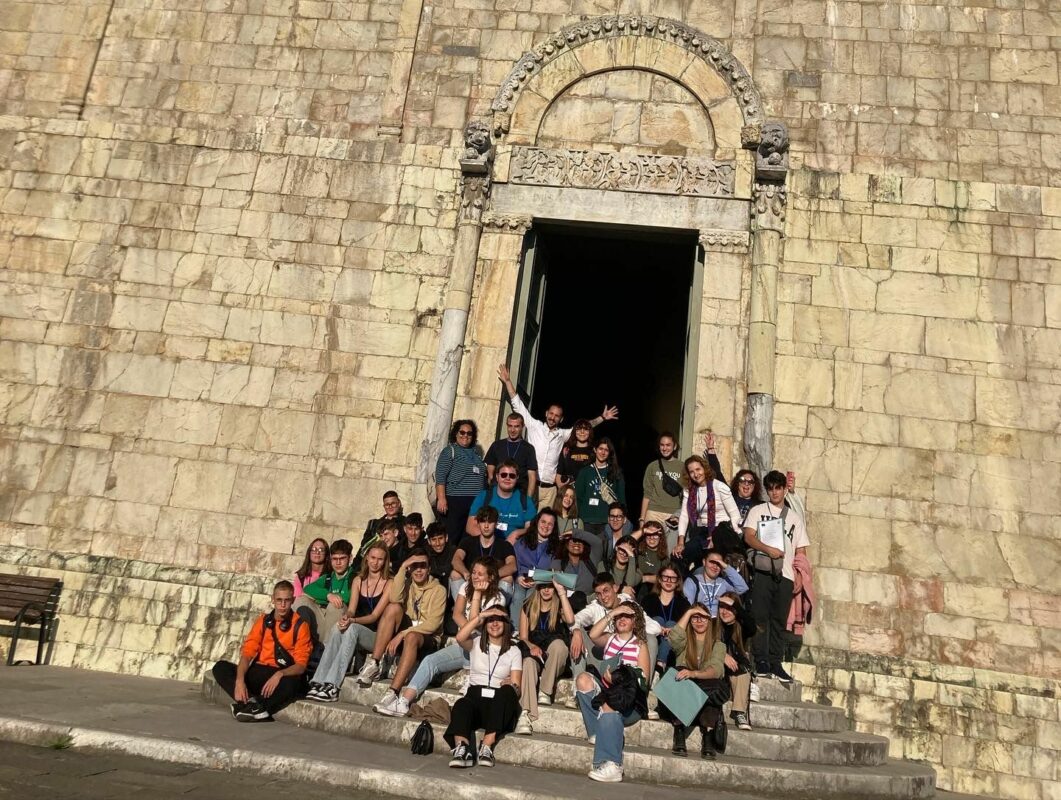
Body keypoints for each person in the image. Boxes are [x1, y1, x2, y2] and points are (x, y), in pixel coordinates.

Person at [375, 557, 506, 717]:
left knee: (467, 636)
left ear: (490, 577)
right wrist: (467, 630)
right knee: (430, 661)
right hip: (463, 642)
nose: (475, 577)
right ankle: (404, 702)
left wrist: (477, 594)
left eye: (480, 574)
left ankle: (471, 672)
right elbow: (457, 614)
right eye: (473, 572)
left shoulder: (498, 599)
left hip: (484, 647)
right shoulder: (466, 587)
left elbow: (476, 623)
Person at [497, 363, 618, 508]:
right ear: (546, 413)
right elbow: (517, 404)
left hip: (550, 490)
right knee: (527, 518)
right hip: (530, 485)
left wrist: (602, 418)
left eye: (557, 416)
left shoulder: (562, 434)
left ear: (561, 419)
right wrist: (508, 381)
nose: (552, 418)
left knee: (546, 521)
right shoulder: (535, 426)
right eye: (551, 414)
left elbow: (583, 428)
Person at [743, 470, 810, 685]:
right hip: (763, 570)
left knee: (779, 620)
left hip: (786, 574)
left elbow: (801, 550)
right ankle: (761, 660)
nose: (774, 492)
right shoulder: (758, 510)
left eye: (778, 488)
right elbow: (748, 537)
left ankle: (775, 662)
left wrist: (800, 574)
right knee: (760, 617)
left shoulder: (794, 518)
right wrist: (767, 549)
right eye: (770, 488)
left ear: (784, 489)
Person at [212, 580, 312, 721]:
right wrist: (240, 681)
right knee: (220, 667)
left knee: (293, 684)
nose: (283, 605)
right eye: (279, 600)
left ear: (293, 600)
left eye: (287, 600)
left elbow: (301, 665)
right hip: (259, 671)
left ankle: (260, 707)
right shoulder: (263, 621)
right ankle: (249, 703)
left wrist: (280, 674)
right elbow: (247, 654)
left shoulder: (301, 626)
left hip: (281, 674)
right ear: (273, 600)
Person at [574, 601, 651, 783]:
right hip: (606, 691)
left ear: (635, 621)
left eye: (628, 616)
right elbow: (593, 634)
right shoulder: (610, 638)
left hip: (628, 699)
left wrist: (617, 678)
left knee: (610, 702)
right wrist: (613, 612)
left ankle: (612, 764)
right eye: (619, 616)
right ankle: (596, 732)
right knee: (582, 679)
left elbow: (643, 679)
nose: (622, 619)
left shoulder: (640, 645)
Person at [306, 542, 392, 702]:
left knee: (352, 629)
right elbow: (351, 609)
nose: (375, 562)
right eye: (373, 558)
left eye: (380, 559)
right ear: (367, 558)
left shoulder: (389, 583)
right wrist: (347, 618)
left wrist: (353, 620)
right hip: (357, 626)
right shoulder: (358, 580)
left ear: (385, 561)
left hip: (377, 635)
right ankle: (318, 681)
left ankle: (333, 685)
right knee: (338, 627)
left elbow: (374, 616)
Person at [360, 549, 446, 700]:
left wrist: (402, 634)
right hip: (408, 631)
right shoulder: (407, 584)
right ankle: (374, 662)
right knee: (393, 608)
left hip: (427, 638)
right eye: (414, 566)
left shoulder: (439, 590)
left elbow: (433, 624)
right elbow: (394, 598)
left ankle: (393, 692)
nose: (418, 570)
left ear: (429, 569)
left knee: (412, 636)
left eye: (422, 566)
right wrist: (402, 567)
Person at [445, 607, 523, 768]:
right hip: (475, 698)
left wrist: (511, 685)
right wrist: (480, 616)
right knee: (461, 704)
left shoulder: (514, 651)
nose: (494, 624)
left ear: (506, 624)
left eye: (499, 620)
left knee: (507, 691)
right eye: (490, 620)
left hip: (498, 704)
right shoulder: (476, 642)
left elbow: (517, 687)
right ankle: (462, 749)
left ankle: (486, 746)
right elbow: (460, 637)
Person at [659, 605, 729, 759]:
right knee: (676, 673)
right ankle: (679, 730)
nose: (699, 621)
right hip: (684, 691)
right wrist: (689, 611)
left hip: (702, 688)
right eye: (695, 618)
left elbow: (716, 670)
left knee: (716, 685)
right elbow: (673, 638)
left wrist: (694, 674)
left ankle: (708, 735)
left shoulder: (718, 645)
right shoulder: (684, 641)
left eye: (703, 617)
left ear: (709, 620)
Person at [569, 574, 661, 684]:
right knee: (578, 633)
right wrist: (576, 632)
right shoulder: (595, 607)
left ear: (615, 588)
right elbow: (575, 620)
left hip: (628, 658)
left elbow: (656, 628)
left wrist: (626, 634)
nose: (603, 597)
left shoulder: (629, 605)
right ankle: (578, 682)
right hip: (602, 655)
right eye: (598, 594)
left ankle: (645, 685)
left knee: (651, 639)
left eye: (606, 591)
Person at [515, 576, 575, 734]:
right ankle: (525, 714)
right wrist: (532, 646)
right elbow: (523, 637)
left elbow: (570, 620)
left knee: (559, 645)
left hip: (554, 657)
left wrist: (561, 592)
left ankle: (545, 691)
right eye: (543, 586)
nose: (546, 590)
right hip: (535, 652)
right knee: (528, 663)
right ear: (538, 588)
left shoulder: (559, 605)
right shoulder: (528, 606)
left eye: (550, 587)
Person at [672, 455, 741, 568]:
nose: (696, 474)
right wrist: (680, 542)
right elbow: (684, 516)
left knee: (712, 559)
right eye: (692, 472)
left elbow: (735, 514)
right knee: (678, 556)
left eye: (698, 469)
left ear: (704, 469)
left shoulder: (719, 487)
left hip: (721, 530)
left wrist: (720, 537)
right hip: (701, 531)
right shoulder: (689, 490)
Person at [434, 419, 487, 544]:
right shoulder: (449, 451)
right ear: (456, 434)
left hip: (475, 502)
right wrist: (441, 498)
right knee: (452, 536)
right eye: (462, 432)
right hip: (455, 501)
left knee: (468, 538)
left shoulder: (476, 454)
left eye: (469, 433)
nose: (465, 436)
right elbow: (440, 476)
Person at [293, 539, 355, 641]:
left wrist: (320, 599)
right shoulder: (328, 577)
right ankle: (301, 641)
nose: (338, 562)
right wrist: (328, 595)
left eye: (342, 558)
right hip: (323, 619)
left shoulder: (354, 577)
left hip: (341, 622)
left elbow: (347, 598)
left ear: (350, 558)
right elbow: (308, 589)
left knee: (335, 605)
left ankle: (326, 647)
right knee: (302, 600)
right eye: (334, 559)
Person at [451, 506, 517, 600]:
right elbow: (456, 559)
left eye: (490, 522)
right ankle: (464, 606)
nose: (486, 526)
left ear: (496, 524)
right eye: (483, 521)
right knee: (455, 574)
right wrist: (466, 573)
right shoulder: (467, 542)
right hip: (472, 582)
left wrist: (492, 576)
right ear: (478, 523)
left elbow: (512, 566)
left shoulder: (505, 545)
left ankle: (495, 606)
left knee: (508, 578)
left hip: (493, 584)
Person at [508, 509, 558, 627]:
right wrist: (518, 576)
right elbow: (514, 562)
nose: (546, 526)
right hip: (521, 578)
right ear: (537, 522)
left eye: (550, 524)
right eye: (543, 522)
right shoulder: (522, 542)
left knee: (532, 595)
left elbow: (555, 569)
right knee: (518, 596)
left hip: (541, 582)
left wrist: (539, 578)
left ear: (554, 527)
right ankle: (515, 630)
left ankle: (529, 629)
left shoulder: (557, 546)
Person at [466, 460, 537, 539]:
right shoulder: (484, 497)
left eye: (512, 476)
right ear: (497, 476)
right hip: (488, 543)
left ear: (517, 478)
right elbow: (470, 526)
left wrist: (517, 533)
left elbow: (530, 529)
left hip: (515, 543)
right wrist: (493, 542)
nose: (507, 478)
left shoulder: (525, 501)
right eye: (503, 475)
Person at [641, 562, 690, 674]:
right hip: (651, 643)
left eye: (673, 578)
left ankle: (660, 665)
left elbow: (686, 630)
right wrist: (657, 628)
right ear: (659, 579)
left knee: (671, 624)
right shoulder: (648, 600)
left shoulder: (683, 604)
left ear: (677, 582)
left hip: (674, 647)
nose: (668, 581)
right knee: (657, 620)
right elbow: (641, 622)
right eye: (665, 577)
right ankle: (657, 666)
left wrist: (673, 630)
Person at [719, 592, 756, 730]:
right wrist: (722, 655)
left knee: (743, 672)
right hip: (717, 671)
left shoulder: (741, 627)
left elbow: (752, 627)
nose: (725, 612)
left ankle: (739, 712)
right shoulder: (713, 625)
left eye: (729, 608)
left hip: (733, 674)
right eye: (722, 607)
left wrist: (735, 605)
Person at [575, 439, 626, 536]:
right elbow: (578, 497)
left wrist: (622, 516)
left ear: (609, 453)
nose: (603, 452)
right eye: (600, 449)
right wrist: (581, 516)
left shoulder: (616, 472)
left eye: (606, 450)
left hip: (607, 522)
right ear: (595, 450)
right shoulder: (585, 472)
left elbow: (621, 498)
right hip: (587, 521)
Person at [639, 432, 683, 539]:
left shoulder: (682, 467)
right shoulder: (652, 466)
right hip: (653, 513)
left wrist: (681, 515)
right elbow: (647, 494)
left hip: (673, 514)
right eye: (662, 445)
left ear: (674, 446)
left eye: (668, 445)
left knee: (670, 547)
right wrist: (642, 519)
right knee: (651, 544)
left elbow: (687, 494)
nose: (665, 448)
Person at [485, 412, 539, 498]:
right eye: (510, 426)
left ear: (522, 426)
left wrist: (528, 500)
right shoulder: (496, 445)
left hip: (519, 494)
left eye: (516, 426)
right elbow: (490, 474)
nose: (512, 430)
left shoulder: (529, 448)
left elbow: (532, 477)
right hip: (497, 494)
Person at [682, 548, 748, 617]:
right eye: (712, 562)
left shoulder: (723, 582)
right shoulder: (692, 581)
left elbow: (742, 588)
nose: (715, 566)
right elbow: (688, 607)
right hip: (701, 620)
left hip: (719, 621)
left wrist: (726, 567)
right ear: (704, 562)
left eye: (718, 564)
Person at [550, 529, 598, 599]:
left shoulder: (592, 559)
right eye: (574, 540)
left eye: (580, 541)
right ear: (566, 544)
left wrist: (574, 532)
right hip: (566, 601)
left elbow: (597, 542)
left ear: (584, 546)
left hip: (589, 602)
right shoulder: (558, 563)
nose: (577, 543)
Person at [556, 419, 595, 488]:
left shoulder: (594, 451)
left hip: (587, 491)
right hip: (570, 491)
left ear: (590, 432)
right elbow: (559, 473)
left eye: (586, 429)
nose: (582, 432)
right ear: (574, 431)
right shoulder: (566, 450)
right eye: (579, 429)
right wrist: (561, 488)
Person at [633, 520, 668, 595]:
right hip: (636, 590)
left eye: (655, 535)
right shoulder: (638, 550)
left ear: (660, 538)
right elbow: (625, 542)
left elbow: (665, 578)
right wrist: (643, 530)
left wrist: (645, 578)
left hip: (654, 592)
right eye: (649, 534)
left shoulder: (664, 557)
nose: (652, 538)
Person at [424, 521, 457, 588]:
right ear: (429, 541)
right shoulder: (425, 554)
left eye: (440, 538)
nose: (438, 543)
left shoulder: (454, 551)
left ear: (446, 538)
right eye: (434, 540)